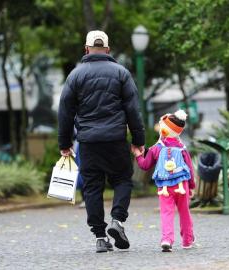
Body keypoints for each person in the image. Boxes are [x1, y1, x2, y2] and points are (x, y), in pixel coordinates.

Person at [58, 30, 145, 253]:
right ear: (107, 49)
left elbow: (65, 112)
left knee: (91, 187)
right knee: (123, 180)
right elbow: (133, 110)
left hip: (87, 142)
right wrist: (138, 140)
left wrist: (64, 143)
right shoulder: (121, 73)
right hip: (116, 139)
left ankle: (99, 237)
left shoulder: (75, 75)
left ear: (86, 49)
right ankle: (117, 220)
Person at [132, 110, 195, 252]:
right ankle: (187, 240)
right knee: (184, 212)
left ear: (164, 130)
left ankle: (167, 239)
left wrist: (137, 154)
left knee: (167, 213)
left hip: (164, 186)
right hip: (182, 185)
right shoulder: (182, 148)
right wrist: (191, 186)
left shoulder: (157, 148)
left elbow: (145, 165)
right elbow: (189, 169)